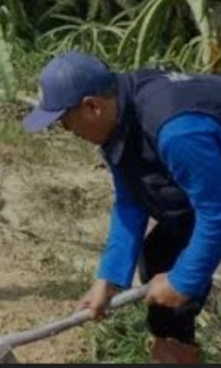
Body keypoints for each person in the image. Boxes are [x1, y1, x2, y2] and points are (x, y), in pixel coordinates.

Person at [22, 50, 221, 364]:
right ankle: (175, 355)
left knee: (180, 274)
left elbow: (217, 212)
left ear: (92, 106)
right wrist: (109, 279)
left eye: (64, 120)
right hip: (211, 189)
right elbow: (131, 200)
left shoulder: (176, 130)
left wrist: (184, 280)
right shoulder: (120, 118)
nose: (66, 131)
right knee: (159, 256)